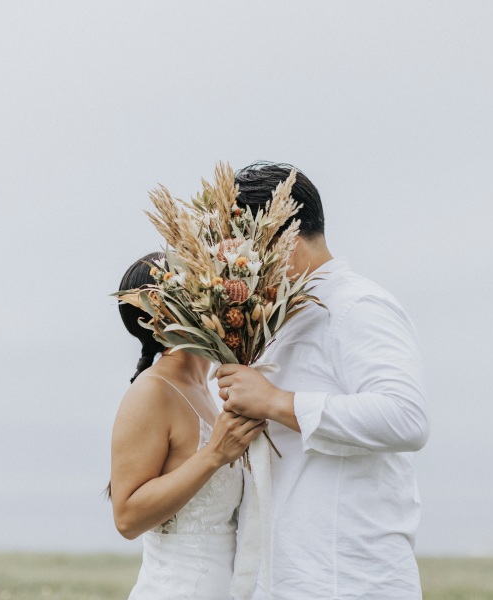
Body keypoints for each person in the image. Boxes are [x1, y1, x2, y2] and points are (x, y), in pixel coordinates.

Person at [217, 162, 430, 599]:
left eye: (239, 254)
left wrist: (276, 402)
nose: (232, 272)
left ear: (281, 240)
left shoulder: (358, 306)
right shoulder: (279, 321)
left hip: (348, 579)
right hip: (284, 578)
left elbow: (407, 417)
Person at [110, 252, 267, 599]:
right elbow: (126, 518)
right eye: (196, 285)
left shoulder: (212, 391)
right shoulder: (151, 391)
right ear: (164, 312)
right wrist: (214, 454)